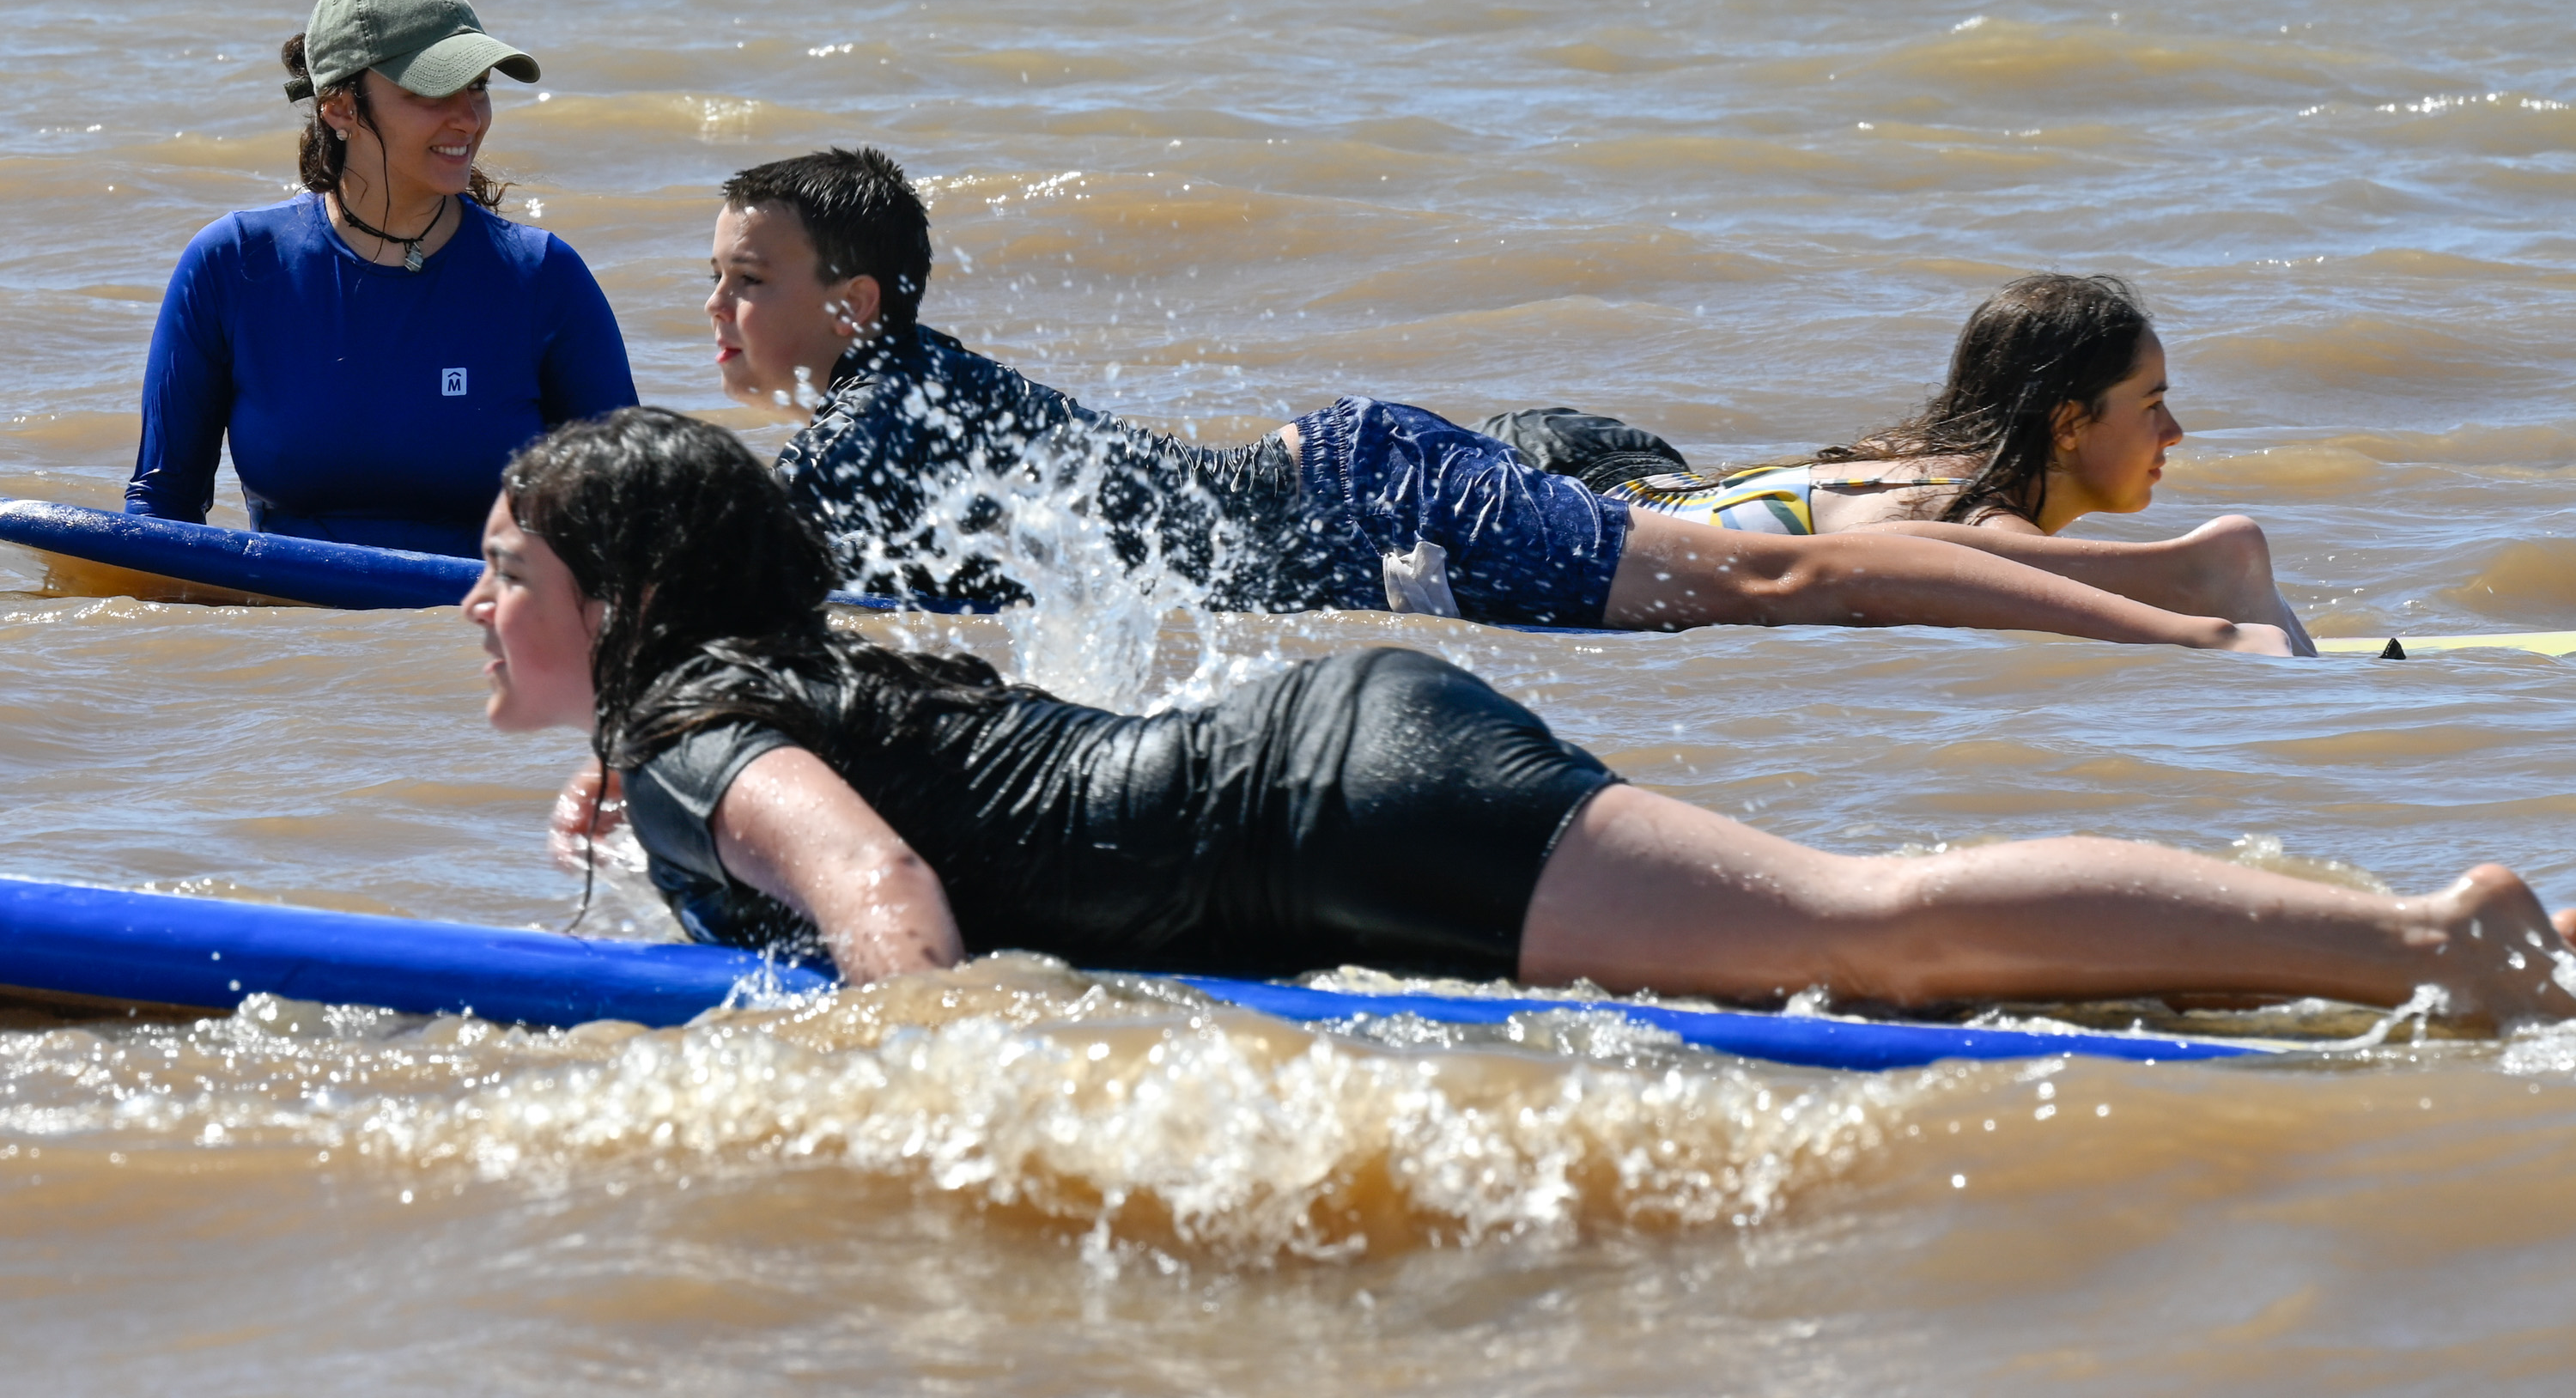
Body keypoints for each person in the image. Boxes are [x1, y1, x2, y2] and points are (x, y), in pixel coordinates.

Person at [464, 406, 2576, 1025]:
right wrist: (658, 805)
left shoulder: (700, 734)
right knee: (1878, 937)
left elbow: (894, 900)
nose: (476, 601)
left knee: (1877, 929)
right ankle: (2363, 942)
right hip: (1340, 759)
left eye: (506, 565)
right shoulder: (721, 710)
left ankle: (2425, 936)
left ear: (630, 601)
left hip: (1356, 816)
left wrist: (900, 1123)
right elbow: (931, 785)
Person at [713, 147, 2290, 653]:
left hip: (1379, 500)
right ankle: (2181, 584)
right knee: (1782, 571)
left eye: (746, 282)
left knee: (1784, 579)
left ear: (851, 303)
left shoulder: (874, 417)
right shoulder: (903, 391)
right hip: (1371, 481)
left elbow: (733, 566)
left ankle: (2189, 591)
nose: (716, 315)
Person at [1481, 273, 2314, 652]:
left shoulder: (1937, 466)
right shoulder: (1957, 514)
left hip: (1608, 462)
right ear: (2068, 422)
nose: (2174, 430)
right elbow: (2001, 573)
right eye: (2152, 401)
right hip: (1568, 502)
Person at [124, 0, 636, 556]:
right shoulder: (234, 264)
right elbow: (161, 509)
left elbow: (628, 516)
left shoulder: (543, 277)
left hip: (474, 636)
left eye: (479, 87)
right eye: (433, 91)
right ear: (340, 108)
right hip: (295, 638)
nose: (468, 118)